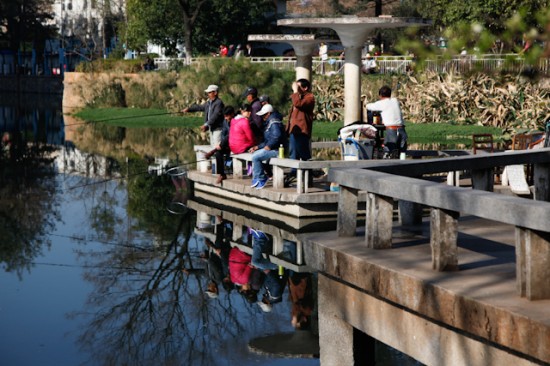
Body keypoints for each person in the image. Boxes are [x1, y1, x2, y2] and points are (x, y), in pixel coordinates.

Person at [248, 104, 286, 189]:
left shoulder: (274, 122)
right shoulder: (269, 122)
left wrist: (269, 145)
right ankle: (257, 177)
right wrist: (257, 147)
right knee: (254, 153)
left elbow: (277, 136)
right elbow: (267, 140)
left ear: (269, 113)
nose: (262, 117)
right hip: (273, 148)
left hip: (277, 150)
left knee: (256, 157)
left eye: (264, 115)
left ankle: (261, 178)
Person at [366, 85, 408, 156]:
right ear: (390, 94)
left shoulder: (381, 103)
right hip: (401, 130)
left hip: (392, 131)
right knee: (402, 154)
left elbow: (368, 106)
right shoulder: (395, 101)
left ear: (380, 95)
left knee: (390, 153)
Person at [286, 78, 315, 169]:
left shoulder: (309, 97)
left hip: (302, 131)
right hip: (294, 130)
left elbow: (298, 104)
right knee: (293, 154)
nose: (297, 89)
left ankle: (308, 176)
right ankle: (294, 174)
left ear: (305, 87)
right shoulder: (298, 97)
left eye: (299, 87)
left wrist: (295, 91)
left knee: (304, 153)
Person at [205, 106, 235, 184]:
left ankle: (229, 167)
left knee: (227, 155)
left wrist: (222, 144)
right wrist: (221, 143)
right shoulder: (225, 121)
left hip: (235, 143)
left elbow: (231, 134)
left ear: (232, 114)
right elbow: (224, 133)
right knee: (218, 153)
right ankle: (222, 174)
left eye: (227, 116)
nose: (226, 118)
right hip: (226, 144)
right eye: (225, 116)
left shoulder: (235, 121)